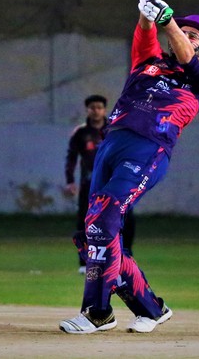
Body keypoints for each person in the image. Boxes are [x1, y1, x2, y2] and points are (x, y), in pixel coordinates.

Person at [59, 0, 199, 335]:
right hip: (112, 143)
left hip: (148, 148)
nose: (184, 36)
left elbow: (182, 50)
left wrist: (167, 18)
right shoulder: (148, 62)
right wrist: (148, 0)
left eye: (193, 35)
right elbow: (146, 26)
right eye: (182, 30)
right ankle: (151, 308)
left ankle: (98, 313)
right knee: (92, 233)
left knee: (104, 219)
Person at [64, 94, 136, 272]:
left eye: (99, 107)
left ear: (104, 110)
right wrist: (70, 180)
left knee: (126, 218)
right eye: (92, 108)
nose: (96, 111)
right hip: (89, 184)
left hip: (115, 183)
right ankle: (85, 262)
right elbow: (71, 157)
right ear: (87, 110)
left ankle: (124, 257)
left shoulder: (115, 129)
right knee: (86, 221)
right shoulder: (81, 133)